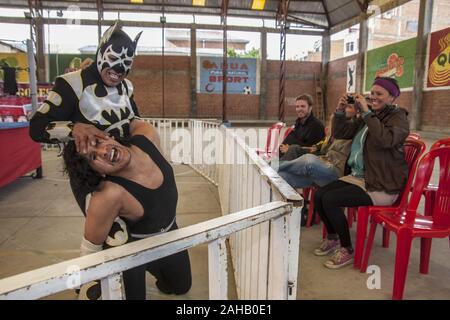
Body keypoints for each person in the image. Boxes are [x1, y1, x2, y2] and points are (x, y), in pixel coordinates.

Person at [29, 22, 146, 258]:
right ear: (101, 51)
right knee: (116, 239)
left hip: (125, 171)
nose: (119, 68)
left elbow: (136, 120)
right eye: (113, 57)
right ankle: (91, 284)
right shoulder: (71, 84)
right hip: (90, 178)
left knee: (142, 230)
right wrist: (73, 128)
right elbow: (36, 128)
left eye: (127, 62)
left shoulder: (127, 87)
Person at [63, 121, 192, 300]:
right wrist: (84, 285)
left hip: (169, 233)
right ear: (98, 172)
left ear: (108, 136)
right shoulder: (109, 195)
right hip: (132, 252)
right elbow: (90, 247)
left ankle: (156, 267)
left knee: (181, 287)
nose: (103, 152)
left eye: (98, 143)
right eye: (93, 158)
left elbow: (130, 117)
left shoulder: (147, 136)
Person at [313, 77, 409, 269]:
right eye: (372, 93)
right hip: (360, 177)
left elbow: (385, 140)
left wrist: (366, 112)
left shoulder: (398, 118)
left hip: (381, 185)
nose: (373, 97)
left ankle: (347, 249)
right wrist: (340, 111)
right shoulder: (370, 116)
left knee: (331, 199)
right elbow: (341, 133)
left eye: (379, 94)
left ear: (392, 98)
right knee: (320, 195)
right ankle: (333, 238)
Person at [277, 103, 357, 189]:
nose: (344, 109)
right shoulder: (336, 132)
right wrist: (317, 146)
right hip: (324, 164)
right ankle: (276, 170)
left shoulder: (353, 128)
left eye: (348, 107)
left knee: (308, 160)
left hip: (335, 171)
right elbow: (323, 148)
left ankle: (274, 167)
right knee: (282, 176)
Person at [279, 94, 325, 161]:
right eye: (297, 107)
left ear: (310, 107)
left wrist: (289, 149)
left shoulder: (316, 125)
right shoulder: (298, 123)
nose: (299, 109)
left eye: (303, 106)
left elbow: (311, 149)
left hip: (305, 160)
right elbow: (289, 141)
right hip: (289, 156)